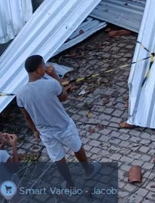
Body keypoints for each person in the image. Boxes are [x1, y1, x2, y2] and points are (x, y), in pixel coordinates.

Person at [17, 55, 98, 187]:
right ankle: (88, 170)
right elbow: (64, 97)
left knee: (58, 158)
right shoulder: (51, 83)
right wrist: (55, 75)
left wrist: (34, 131)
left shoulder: (20, 94)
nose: (45, 67)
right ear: (38, 70)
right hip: (64, 125)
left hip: (45, 132)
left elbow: (27, 116)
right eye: (43, 65)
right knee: (77, 147)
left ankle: (69, 183)